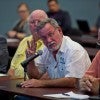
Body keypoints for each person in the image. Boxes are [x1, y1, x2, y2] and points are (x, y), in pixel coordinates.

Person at [20, 18, 91, 88]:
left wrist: (41, 83)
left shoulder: (74, 50)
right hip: (56, 93)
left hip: (77, 94)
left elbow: (72, 81)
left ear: (59, 30)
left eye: (50, 34)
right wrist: (31, 61)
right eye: (44, 38)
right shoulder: (45, 50)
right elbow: (35, 77)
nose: (48, 40)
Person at [7, 10, 48, 79]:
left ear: (47, 24)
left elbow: (44, 75)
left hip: (32, 84)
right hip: (14, 82)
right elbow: (11, 69)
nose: (36, 24)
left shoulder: (49, 44)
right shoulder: (24, 41)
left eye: (39, 21)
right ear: (29, 25)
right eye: (32, 22)